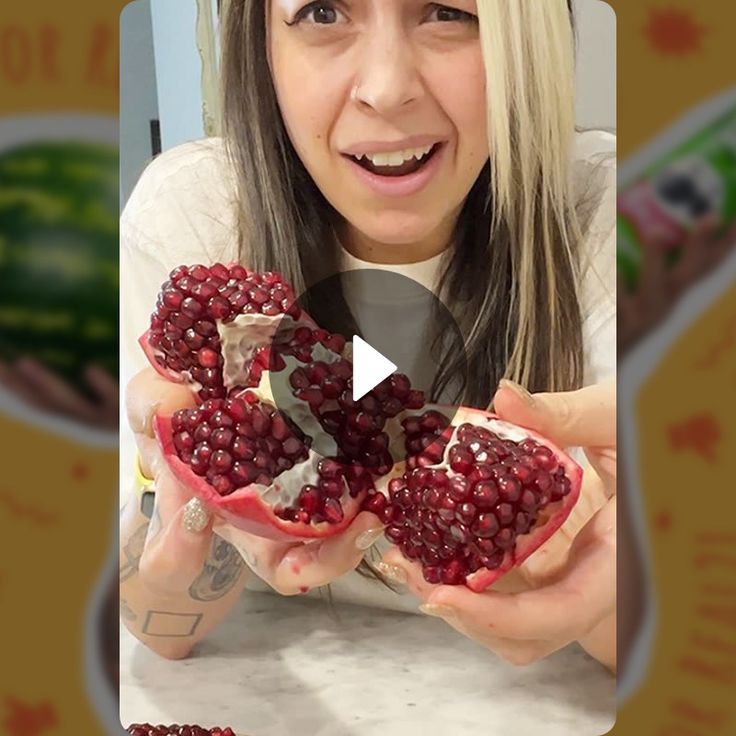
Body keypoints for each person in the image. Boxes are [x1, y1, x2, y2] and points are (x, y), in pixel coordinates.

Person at [120, 0, 618, 670]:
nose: (386, 88)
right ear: (260, 43)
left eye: (447, 11)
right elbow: (160, 631)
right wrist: (183, 526)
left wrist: (619, 582)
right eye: (323, 10)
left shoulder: (622, 219)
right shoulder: (197, 212)